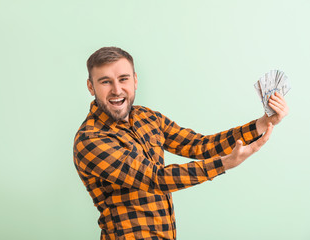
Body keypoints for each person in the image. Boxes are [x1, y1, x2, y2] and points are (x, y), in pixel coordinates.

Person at [73, 47, 288, 240]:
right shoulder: (89, 139)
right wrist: (224, 164)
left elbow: (199, 146)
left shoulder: (148, 118)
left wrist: (262, 123)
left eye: (123, 79)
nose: (117, 90)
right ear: (91, 87)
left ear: (135, 80)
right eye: (105, 81)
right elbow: (156, 178)